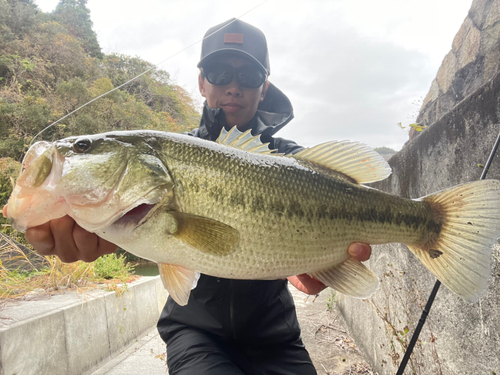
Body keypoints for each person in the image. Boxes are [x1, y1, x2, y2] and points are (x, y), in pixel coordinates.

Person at [20, 18, 372, 375]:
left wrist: (326, 263)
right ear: (202, 82)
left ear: (264, 88)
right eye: (220, 73)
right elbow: (155, 248)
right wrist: (105, 238)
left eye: (248, 77)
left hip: (276, 336)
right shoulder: (170, 154)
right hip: (194, 333)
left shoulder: (293, 161)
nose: (233, 86)